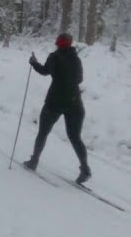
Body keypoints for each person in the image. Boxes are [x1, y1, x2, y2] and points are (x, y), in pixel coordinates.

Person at [22, 32, 91, 183]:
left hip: (54, 102)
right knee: (75, 137)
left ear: (58, 43)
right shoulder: (76, 59)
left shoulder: (54, 57)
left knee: (43, 132)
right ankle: (85, 169)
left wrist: (33, 62)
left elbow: (44, 71)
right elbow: (80, 78)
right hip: (74, 102)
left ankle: (34, 161)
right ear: (71, 43)